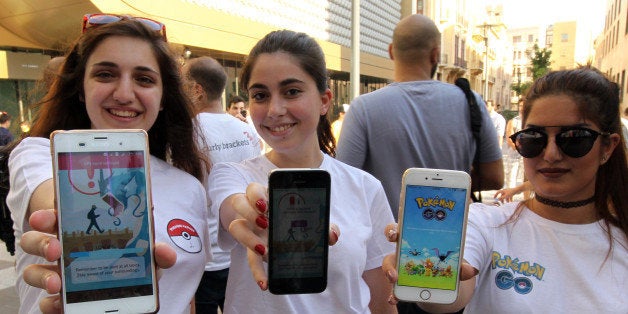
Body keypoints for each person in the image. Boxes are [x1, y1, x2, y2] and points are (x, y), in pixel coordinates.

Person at [7, 15, 211, 313]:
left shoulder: (190, 186)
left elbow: (185, 295)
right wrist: (64, 217)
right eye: (105, 75)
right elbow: (50, 201)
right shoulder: (40, 155)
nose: (125, 94)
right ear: (80, 89)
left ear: (163, 97)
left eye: (144, 79)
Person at [383, 66, 628, 313]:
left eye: (574, 137)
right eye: (534, 137)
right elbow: (449, 296)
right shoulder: (487, 223)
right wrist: (424, 271)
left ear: (607, 147)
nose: (551, 154)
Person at [207, 29, 396, 313]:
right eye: (260, 95)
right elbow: (234, 207)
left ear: (324, 101)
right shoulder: (231, 175)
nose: (274, 109)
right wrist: (256, 212)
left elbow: (381, 300)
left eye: (291, 91)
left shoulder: (365, 187)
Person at [337, 15, 503, 220]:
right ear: (435, 55)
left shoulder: (363, 108)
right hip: (451, 238)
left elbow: (345, 183)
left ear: (391, 52)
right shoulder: (469, 102)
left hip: (388, 241)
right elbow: (495, 178)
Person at [181, 56, 261, 314]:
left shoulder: (186, 133)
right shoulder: (246, 131)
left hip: (202, 257)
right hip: (242, 251)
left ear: (197, 90)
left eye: (182, 83)